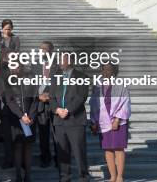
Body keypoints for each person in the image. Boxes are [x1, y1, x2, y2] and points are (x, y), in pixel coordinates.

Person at [49, 53, 91, 182]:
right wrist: (56, 109)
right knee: (62, 153)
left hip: (75, 120)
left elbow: (81, 97)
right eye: (60, 60)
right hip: (59, 121)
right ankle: (64, 177)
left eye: (64, 59)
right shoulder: (56, 78)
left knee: (79, 151)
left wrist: (67, 110)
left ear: (71, 60)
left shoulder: (82, 77)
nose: (61, 62)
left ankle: (83, 177)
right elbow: (51, 97)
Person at [90, 63, 131, 182]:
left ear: (114, 71)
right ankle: (112, 176)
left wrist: (118, 119)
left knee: (119, 148)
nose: (106, 72)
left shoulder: (121, 85)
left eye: (109, 69)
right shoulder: (97, 86)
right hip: (103, 121)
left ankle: (119, 177)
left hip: (118, 122)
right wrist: (94, 121)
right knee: (107, 149)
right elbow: (93, 104)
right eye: (104, 69)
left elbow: (126, 103)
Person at [4, 64, 39, 182]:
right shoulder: (8, 82)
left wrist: (31, 116)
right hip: (16, 119)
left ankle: (28, 176)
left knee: (28, 146)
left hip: (30, 120)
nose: (16, 69)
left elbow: (35, 99)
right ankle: (18, 175)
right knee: (18, 146)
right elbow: (10, 101)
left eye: (18, 66)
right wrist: (21, 116)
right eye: (13, 67)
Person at [36, 41, 57, 168]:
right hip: (40, 104)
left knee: (57, 135)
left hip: (55, 104)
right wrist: (39, 96)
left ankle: (58, 158)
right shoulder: (34, 65)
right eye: (41, 49)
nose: (44, 51)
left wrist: (51, 95)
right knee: (43, 134)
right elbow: (31, 84)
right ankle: (45, 158)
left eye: (46, 49)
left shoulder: (59, 66)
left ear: (52, 51)